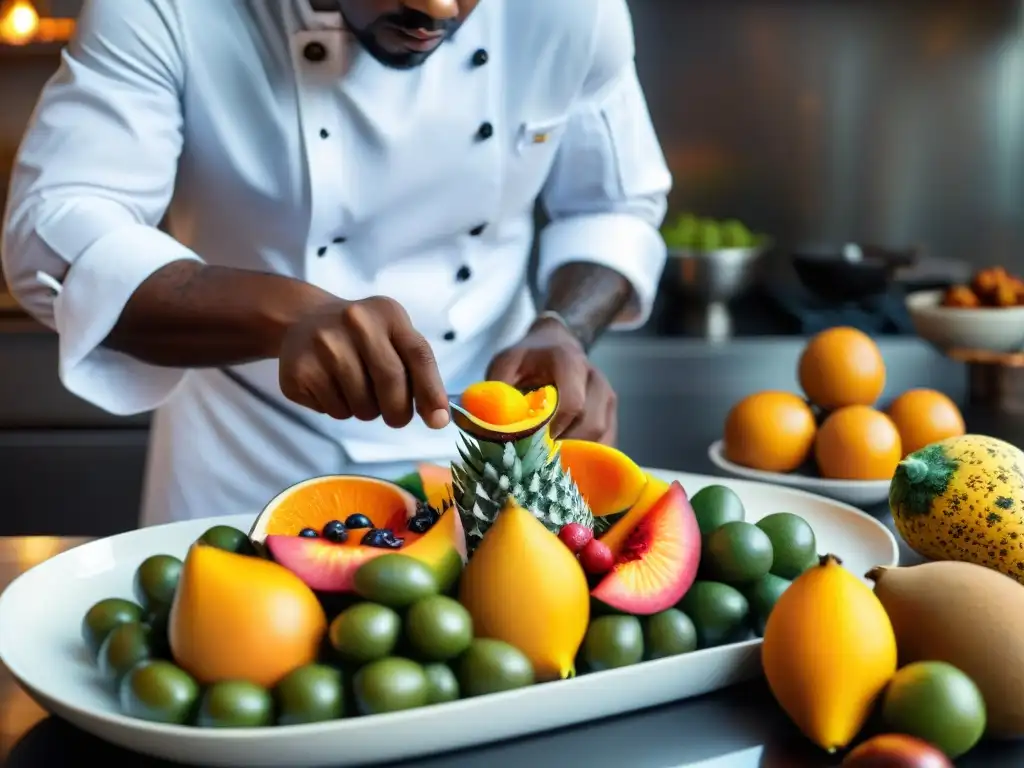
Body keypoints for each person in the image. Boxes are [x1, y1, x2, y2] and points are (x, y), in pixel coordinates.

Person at [1, 0, 671, 527]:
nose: (437, 9)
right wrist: (288, 316)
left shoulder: (573, 10)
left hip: (491, 459)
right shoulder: (165, 7)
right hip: (245, 456)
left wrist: (563, 327)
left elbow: (612, 207)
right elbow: (54, 232)